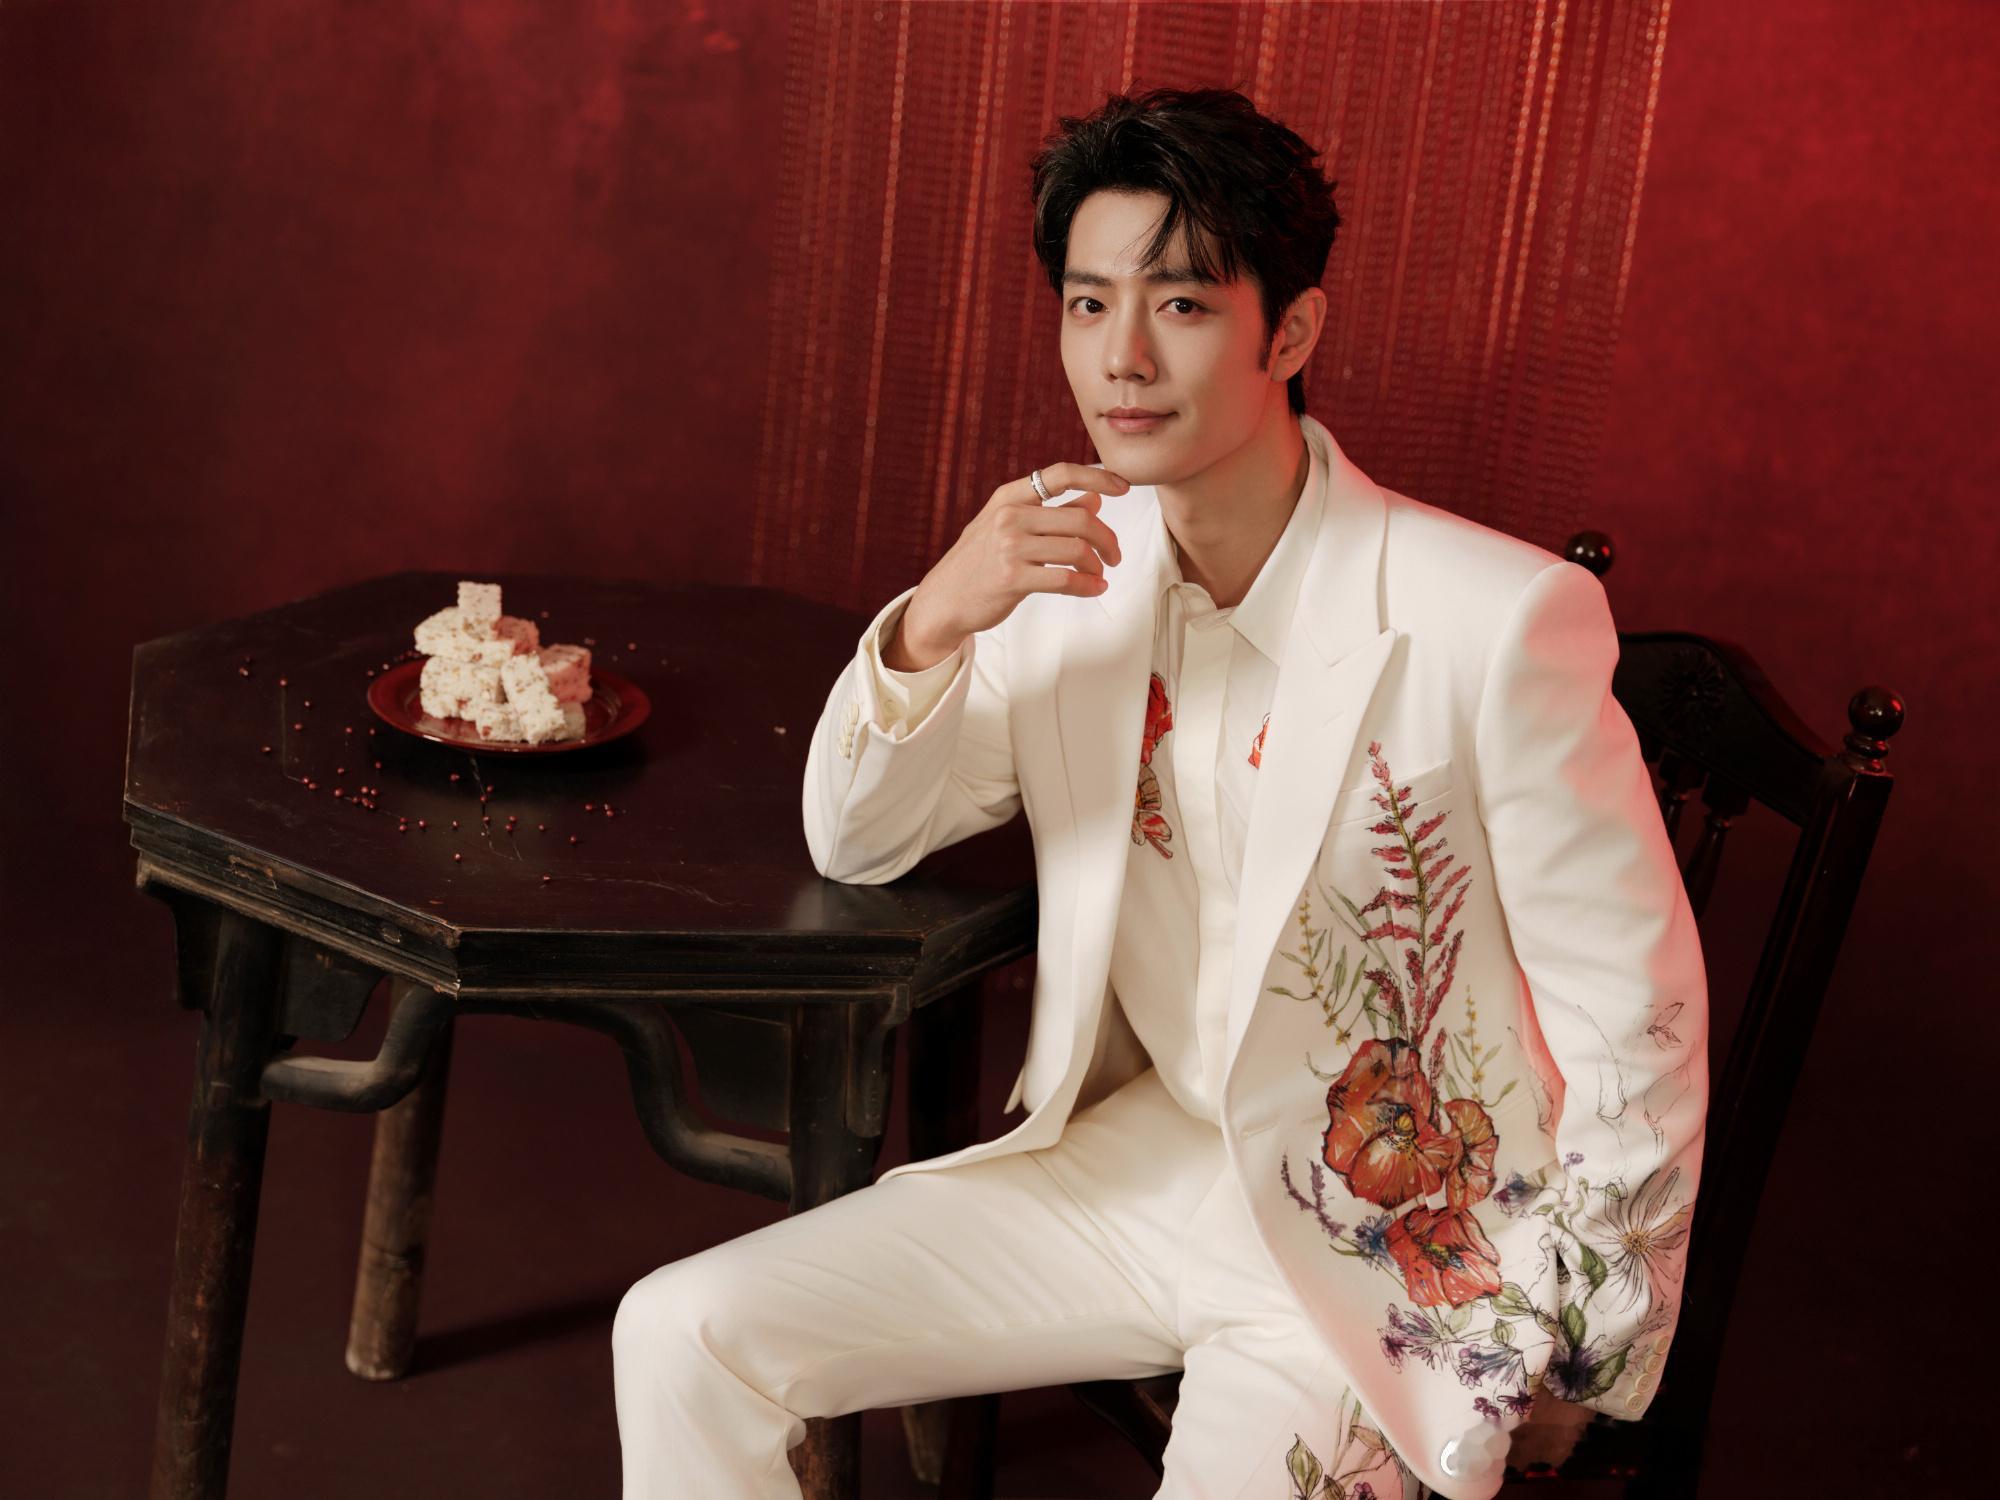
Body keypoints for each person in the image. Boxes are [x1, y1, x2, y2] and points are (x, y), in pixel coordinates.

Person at [614, 85, 1707, 1500]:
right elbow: (861, 838)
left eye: (1182, 305)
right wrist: (933, 623)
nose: (1121, 358)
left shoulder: (1494, 619)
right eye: (1088, 304)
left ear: (1290, 332)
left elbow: (1635, 1011)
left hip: (1384, 1250)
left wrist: (1571, 1351)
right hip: (1131, 1170)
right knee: (682, 1334)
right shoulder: (1075, 576)